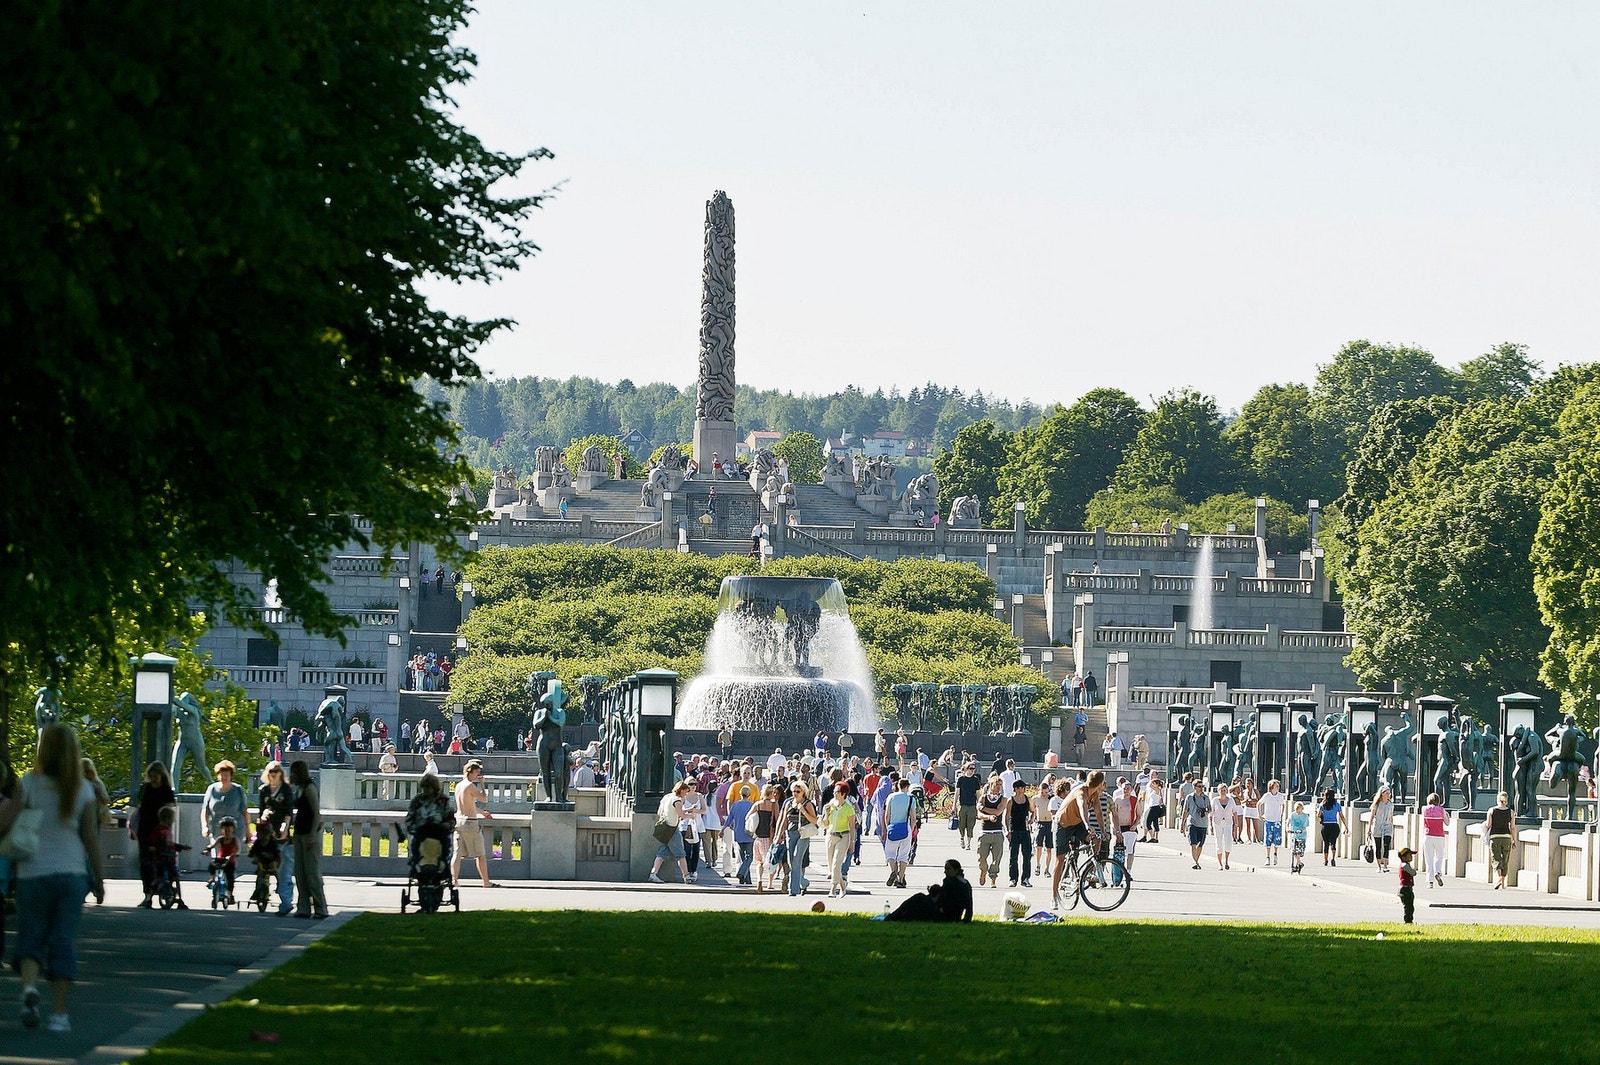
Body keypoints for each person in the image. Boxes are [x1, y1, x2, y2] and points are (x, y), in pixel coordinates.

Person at [0, 724, 105, 1034]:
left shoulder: (28, 783)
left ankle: (29, 989)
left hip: (33, 872)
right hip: (72, 874)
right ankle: (59, 1015)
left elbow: (5, 822)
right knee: (63, 941)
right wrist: (98, 879)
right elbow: (90, 837)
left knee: (31, 935)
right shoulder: (83, 788)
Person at [131, 761, 176, 908]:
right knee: (145, 862)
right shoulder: (145, 788)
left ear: (161, 775)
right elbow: (138, 809)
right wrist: (132, 827)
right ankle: (147, 894)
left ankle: (164, 888)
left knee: (161, 860)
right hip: (144, 828)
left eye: (156, 775)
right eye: (151, 776)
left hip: (160, 829)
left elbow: (169, 810)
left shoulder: (166, 790)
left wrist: (166, 828)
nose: (153, 778)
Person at [288, 760, 328, 919]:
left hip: (310, 835)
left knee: (312, 874)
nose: (292, 775)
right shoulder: (299, 789)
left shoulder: (310, 788)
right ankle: (303, 908)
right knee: (300, 873)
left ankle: (321, 908)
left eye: (294, 772)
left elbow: (316, 813)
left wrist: (312, 835)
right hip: (299, 834)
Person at [256, 761, 295, 915]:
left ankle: (286, 901)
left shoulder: (286, 790)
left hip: (281, 833)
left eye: (276, 772)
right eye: (270, 772)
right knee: (263, 864)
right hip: (266, 833)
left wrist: (284, 828)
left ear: (281, 773)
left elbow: (288, 812)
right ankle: (261, 891)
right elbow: (260, 812)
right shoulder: (263, 790)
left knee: (283, 867)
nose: (273, 775)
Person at [452, 760, 497, 889]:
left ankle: (454, 880)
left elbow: (469, 805)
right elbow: (484, 799)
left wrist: (482, 812)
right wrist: (482, 785)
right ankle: (486, 882)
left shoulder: (459, 785)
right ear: (470, 771)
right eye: (477, 772)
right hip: (470, 823)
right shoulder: (470, 786)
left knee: (457, 854)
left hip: (459, 820)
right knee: (480, 854)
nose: (478, 775)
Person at [884, 859, 974, 923]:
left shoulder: (949, 881)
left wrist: (930, 896)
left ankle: (891, 917)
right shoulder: (966, 883)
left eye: (948, 869)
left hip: (944, 915)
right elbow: (969, 905)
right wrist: (967, 919)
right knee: (915, 908)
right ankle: (897, 917)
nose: (945, 872)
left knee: (918, 898)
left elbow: (941, 900)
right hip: (955, 917)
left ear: (956, 870)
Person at [201, 759, 251, 854]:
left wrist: (248, 830)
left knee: (231, 858)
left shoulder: (238, 790)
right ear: (218, 776)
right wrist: (204, 826)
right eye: (222, 775)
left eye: (226, 775)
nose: (224, 777)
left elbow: (244, 810)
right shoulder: (211, 789)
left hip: (236, 830)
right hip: (216, 829)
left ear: (231, 776)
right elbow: (205, 810)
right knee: (217, 857)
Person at [650, 780, 693, 884]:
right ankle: (686, 876)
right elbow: (681, 815)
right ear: (681, 790)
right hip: (672, 829)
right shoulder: (677, 800)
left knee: (662, 852)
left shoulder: (667, 797)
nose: (686, 794)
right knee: (680, 854)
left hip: (664, 827)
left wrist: (686, 811)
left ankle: (653, 874)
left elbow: (660, 812)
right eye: (685, 792)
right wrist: (689, 815)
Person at [821, 782, 857, 898]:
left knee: (837, 864)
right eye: (834, 792)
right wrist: (825, 813)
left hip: (844, 836)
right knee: (831, 866)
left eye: (837, 792)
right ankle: (842, 886)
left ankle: (832, 889)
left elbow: (852, 827)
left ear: (843, 794)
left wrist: (852, 843)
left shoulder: (848, 808)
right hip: (831, 835)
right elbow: (826, 824)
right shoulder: (831, 804)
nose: (834, 794)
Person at [879, 778, 916, 888]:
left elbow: (886, 816)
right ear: (907, 787)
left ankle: (893, 871)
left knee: (890, 854)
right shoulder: (910, 799)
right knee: (903, 856)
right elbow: (913, 818)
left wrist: (887, 827)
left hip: (892, 827)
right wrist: (911, 828)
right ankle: (900, 879)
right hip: (905, 827)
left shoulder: (891, 797)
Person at [975, 774, 1006, 888]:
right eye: (996, 785)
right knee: (981, 857)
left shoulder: (1003, 799)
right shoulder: (983, 797)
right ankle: (983, 871)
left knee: (996, 858)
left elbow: (998, 812)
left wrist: (984, 809)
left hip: (997, 832)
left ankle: (993, 878)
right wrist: (988, 816)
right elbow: (978, 814)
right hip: (985, 832)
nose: (998, 787)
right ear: (990, 785)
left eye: (1000, 785)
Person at [205, 816, 241, 903]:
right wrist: (207, 849)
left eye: (229, 831)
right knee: (211, 865)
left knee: (230, 877)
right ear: (222, 830)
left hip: (229, 860)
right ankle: (212, 878)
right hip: (221, 859)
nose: (227, 833)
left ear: (233, 830)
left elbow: (238, 849)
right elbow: (213, 845)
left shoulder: (234, 840)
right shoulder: (220, 839)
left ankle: (229, 893)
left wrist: (235, 854)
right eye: (225, 831)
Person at [1006, 779, 1034, 888]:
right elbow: (1007, 816)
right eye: (1018, 787)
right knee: (1014, 856)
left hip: (1025, 830)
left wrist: (1031, 820)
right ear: (1015, 789)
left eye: (1022, 787)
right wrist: (1007, 830)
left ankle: (1025, 878)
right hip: (1014, 830)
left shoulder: (1028, 799)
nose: (1021, 790)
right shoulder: (1011, 800)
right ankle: (1013, 879)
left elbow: (1033, 811)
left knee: (1027, 856)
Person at [1486, 791, 1515, 889]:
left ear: (1497, 799)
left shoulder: (1491, 810)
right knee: (1505, 860)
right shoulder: (1511, 812)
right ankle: (1503, 883)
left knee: (1496, 858)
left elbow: (1488, 825)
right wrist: (1513, 839)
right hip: (1506, 837)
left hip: (1495, 837)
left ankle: (1498, 878)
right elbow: (1513, 827)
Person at [1181, 779, 1212, 870]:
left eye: (1202, 786)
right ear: (1194, 787)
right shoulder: (1190, 797)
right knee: (1193, 843)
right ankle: (1195, 862)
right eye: (1199, 786)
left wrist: (1205, 812)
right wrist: (1183, 823)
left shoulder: (1205, 798)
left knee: (1200, 844)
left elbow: (1210, 809)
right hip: (1192, 822)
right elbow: (1185, 811)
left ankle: (1196, 860)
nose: (1201, 788)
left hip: (1202, 824)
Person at [1421, 791, 1449, 887]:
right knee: (1439, 856)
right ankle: (1438, 871)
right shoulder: (1441, 810)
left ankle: (1430, 882)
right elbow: (1447, 822)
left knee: (1429, 859)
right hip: (1439, 836)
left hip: (1427, 835)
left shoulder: (1424, 809)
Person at [1257, 779, 1287, 866]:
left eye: (1278, 786)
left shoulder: (1280, 796)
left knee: (1277, 839)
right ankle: (1267, 857)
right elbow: (1259, 803)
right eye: (1276, 786)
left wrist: (1281, 814)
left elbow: (1283, 805)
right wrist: (1259, 814)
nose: (1277, 788)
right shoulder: (1267, 796)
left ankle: (1275, 855)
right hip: (1269, 820)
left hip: (1277, 820)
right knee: (1268, 838)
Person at [1369, 786, 1396, 874]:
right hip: (1378, 826)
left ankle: (1385, 865)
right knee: (1378, 846)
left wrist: (1392, 827)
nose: (1389, 795)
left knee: (1386, 845)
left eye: (1389, 793)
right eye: (1387, 793)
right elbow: (1372, 816)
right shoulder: (1376, 804)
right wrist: (1369, 828)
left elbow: (1391, 817)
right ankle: (1378, 866)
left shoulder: (1390, 804)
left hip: (1387, 826)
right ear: (1382, 794)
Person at [954, 762, 980, 851]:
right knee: (961, 824)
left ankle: (968, 843)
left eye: (973, 769)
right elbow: (957, 792)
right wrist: (954, 805)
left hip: (972, 805)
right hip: (962, 804)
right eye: (970, 769)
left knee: (970, 825)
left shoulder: (975, 780)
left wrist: (980, 804)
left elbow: (977, 793)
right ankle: (962, 838)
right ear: (966, 769)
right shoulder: (961, 779)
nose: (972, 771)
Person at [1210, 782, 1236, 870]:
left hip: (1228, 823)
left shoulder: (1231, 800)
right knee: (1219, 843)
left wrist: (1236, 824)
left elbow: (1234, 812)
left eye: (1224, 790)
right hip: (1217, 823)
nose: (1223, 792)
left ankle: (1226, 860)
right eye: (1221, 790)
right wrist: (1211, 825)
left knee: (1228, 843)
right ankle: (1220, 863)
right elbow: (1211, 813)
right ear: (1218, 791)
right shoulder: (1215, 800)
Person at [1318, 788, 1345, 867]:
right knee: (1333, 843)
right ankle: (1333, 858)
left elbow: (1318, 815)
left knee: (1326, 843)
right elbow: (1341, 816)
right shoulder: (1337, 805)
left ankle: (1325, 860)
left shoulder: (1322, 805)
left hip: (1325, 825)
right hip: (1334, 825)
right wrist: (1346, 826)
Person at [1287, 801, 1311, 873]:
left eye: (1299, 810)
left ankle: (1297, 864)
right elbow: (1288, 822)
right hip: (1294, 835)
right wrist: (1287, 829)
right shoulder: (1292, 815)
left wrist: (1300, 830)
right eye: (1296, 810)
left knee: (1299, 850)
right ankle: (1299, 863)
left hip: (1301, 836)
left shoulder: (1304, 816)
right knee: (1294, 850)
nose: (1297, 811)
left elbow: (1305, 826)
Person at [1396, 846, 1418, 923]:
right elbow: (1413, 873)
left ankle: (1409, 920)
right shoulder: (1404, 865)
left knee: (1410, 906)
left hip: (1407, 888)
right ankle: (1408, 921)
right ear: (1403, 857)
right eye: (1409, 855)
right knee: (1408, 907)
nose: (1411, 857)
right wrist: (1412, 869)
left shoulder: (1406, 864)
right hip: (1405, 889)